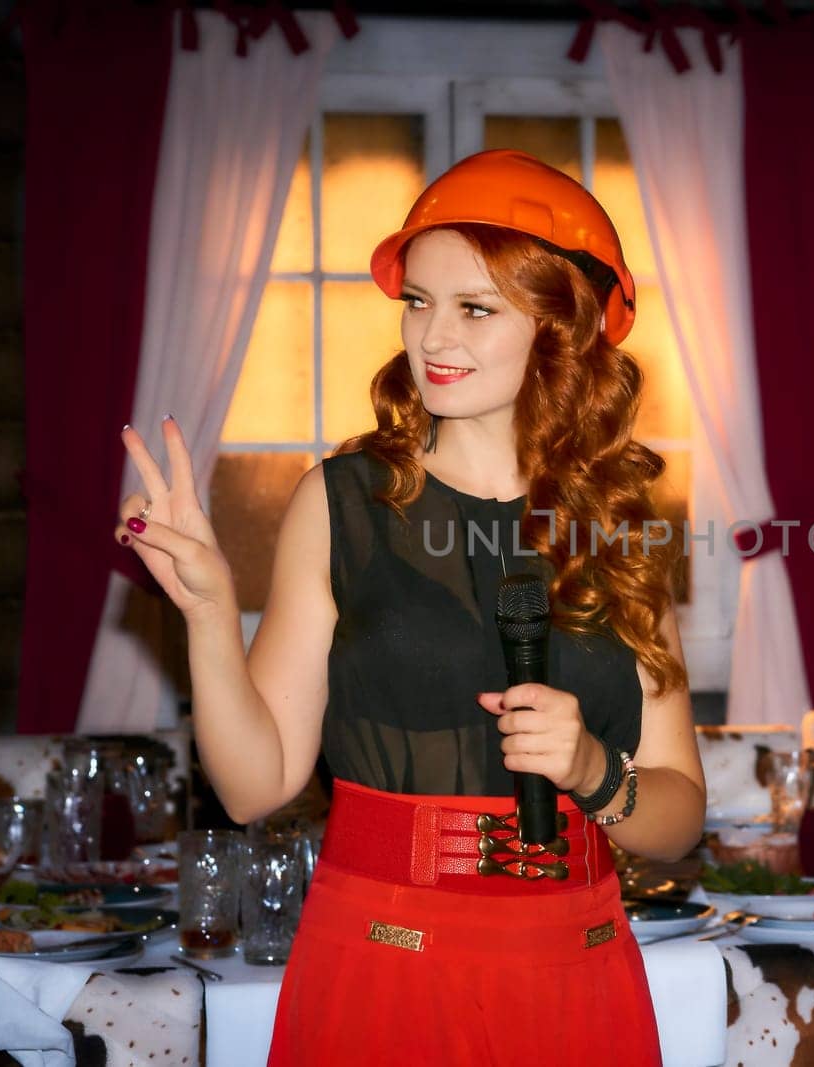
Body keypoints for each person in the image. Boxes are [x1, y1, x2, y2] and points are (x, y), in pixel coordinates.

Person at [114, 149, 704, 1065]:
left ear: (564, 328)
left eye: (473, 308)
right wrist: (206, 612)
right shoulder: (343, 500)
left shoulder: (620, 527)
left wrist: (594, 768)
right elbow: (253, 784)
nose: (432, 337)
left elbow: (677, 814)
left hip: (579, 973)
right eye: (417, 301)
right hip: (385, 966)